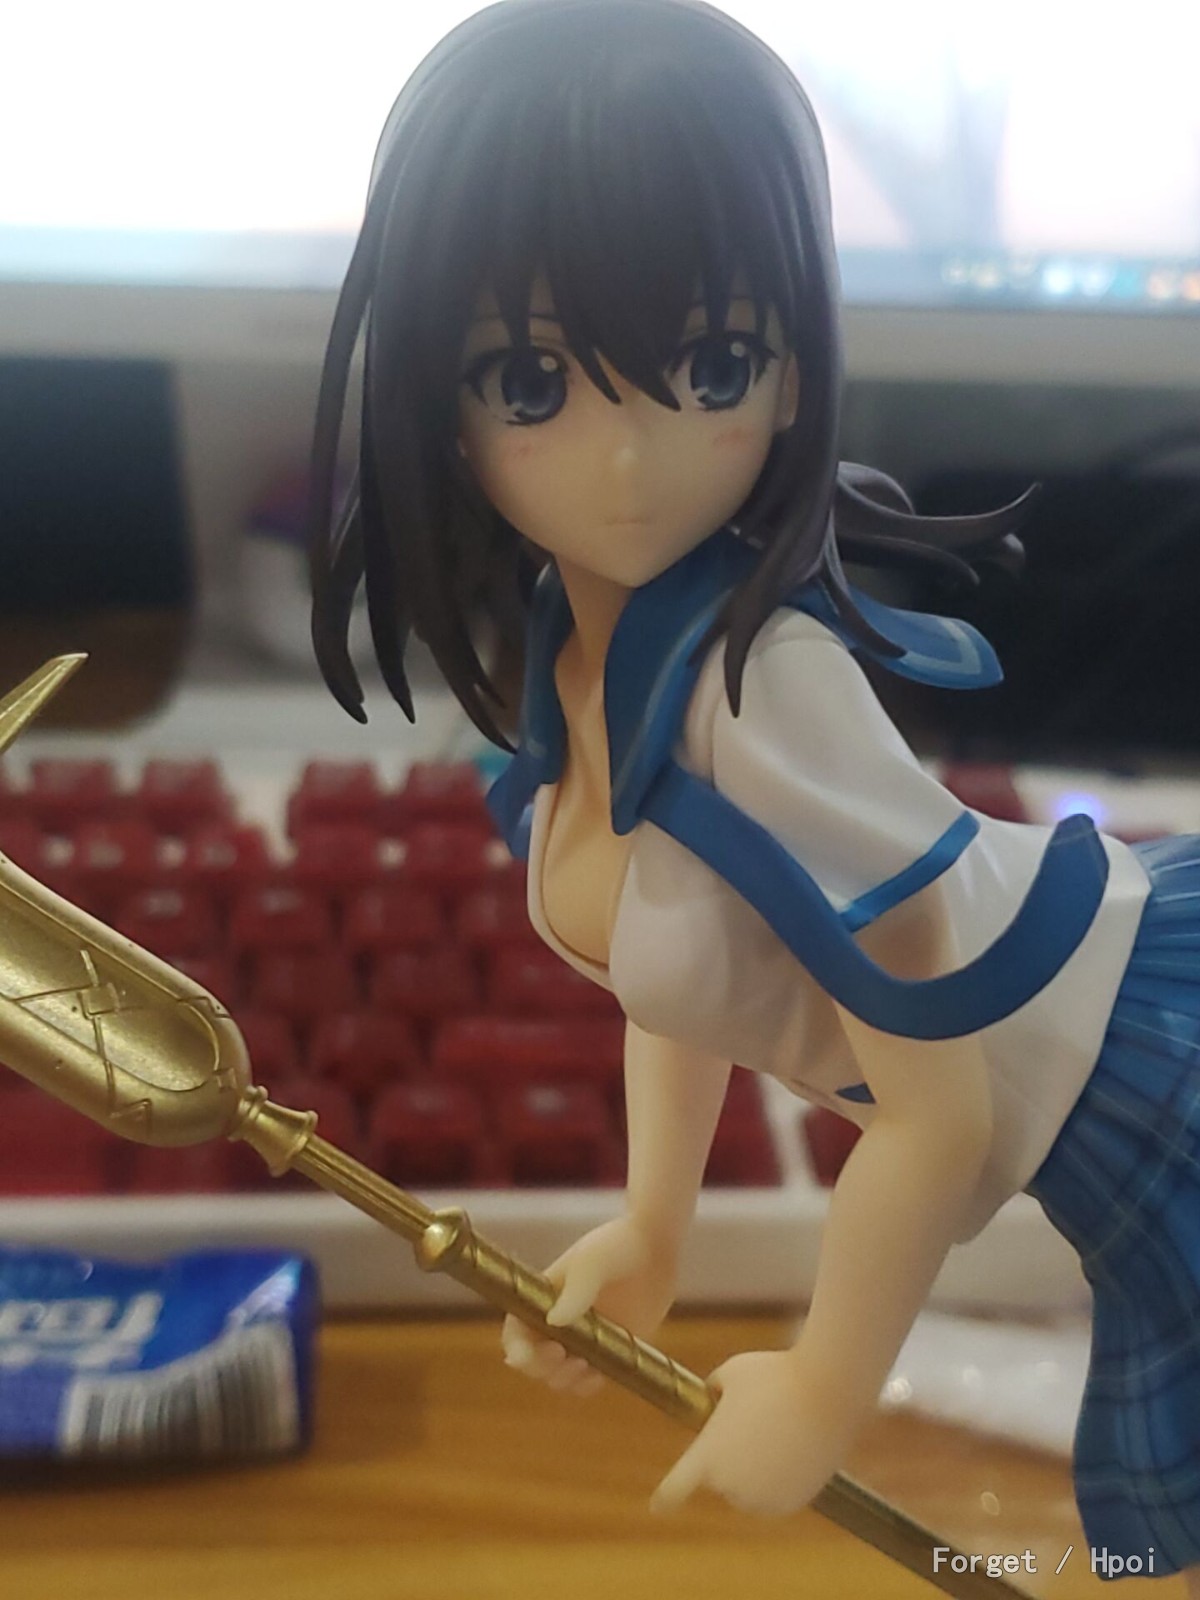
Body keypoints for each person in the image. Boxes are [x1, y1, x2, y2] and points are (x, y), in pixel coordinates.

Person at [307, 0, 1200, 1583]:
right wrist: (657, 1225)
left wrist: (825, 1387)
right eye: (530, 381)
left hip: (1138, 1080)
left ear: (795, 371)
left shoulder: (763, 689)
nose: (632, 461)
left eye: (713, 363)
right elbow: (696, 966)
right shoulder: (579, 654)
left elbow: (938, 1112)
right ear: (440, 399)